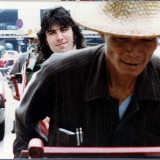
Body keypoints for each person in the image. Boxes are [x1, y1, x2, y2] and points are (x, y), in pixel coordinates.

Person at [13, 1, 160, 158]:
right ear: (102, 33)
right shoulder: (59, 74)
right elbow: (24, 124)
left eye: (146, 39)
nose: (134, 51)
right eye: (122, 38)